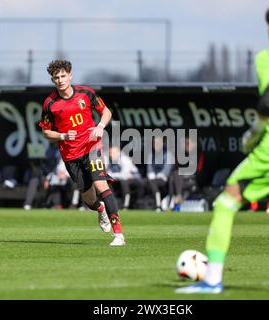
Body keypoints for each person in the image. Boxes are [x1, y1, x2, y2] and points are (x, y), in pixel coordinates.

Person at [177, 2, 269, 294]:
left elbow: (268, 101)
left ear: (268, 28)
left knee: (225, 203)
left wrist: (253, 133)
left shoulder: (268, 57)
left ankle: (212, 281)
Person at [39, 59, 125, 246]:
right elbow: (46, 132)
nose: (61, 80)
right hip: (70, 155)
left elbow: (106, 112)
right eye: (56, 77)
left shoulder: (86, 93)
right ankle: (100, 210)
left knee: (101, 185)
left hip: (91, 146)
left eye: (63, 76)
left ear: (70, 76)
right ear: (53, 80)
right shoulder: (49, 104)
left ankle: (119, 234)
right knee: (89, 200)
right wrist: (62, 136)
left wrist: (101, 126)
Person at [146, 136, 175, 212]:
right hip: (154, 177)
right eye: (154, 143)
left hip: (166, 178)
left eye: (158, 143)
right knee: (149, 181)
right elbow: (149, 166)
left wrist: (161, 175)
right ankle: (155, 204)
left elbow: (167, 168)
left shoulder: (167, 153)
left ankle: (158, 205)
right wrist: (151, 174)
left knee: (153, 182)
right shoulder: (151, 154)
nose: (155, 145)